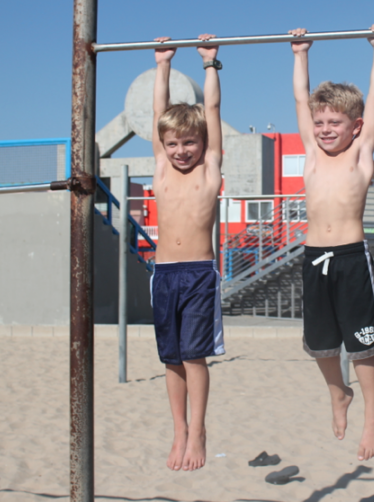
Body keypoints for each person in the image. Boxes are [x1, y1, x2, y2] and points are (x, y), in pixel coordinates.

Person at [288, 23, 374, 461]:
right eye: (321, 122)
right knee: (320, 342)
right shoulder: (312, 154)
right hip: (313, 256)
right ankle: (338, 393)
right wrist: (299, 54)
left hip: (350, 256)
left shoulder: (360, 155)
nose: (327, 129)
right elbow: (300, 97)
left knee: (362, 343)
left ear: (356, 126)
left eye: (336, 122)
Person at [150, 34, 225, 472]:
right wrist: (162, 65)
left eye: (189, 143)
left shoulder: (209, 169)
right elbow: (157, 115)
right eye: (173, 144)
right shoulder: (162, 167)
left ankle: (197, 430)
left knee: (194, 355)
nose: (181, 151)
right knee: (171, 357)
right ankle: (177, 429)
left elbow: (211, 112)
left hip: (198, 271)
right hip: (163, 272)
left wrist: (209, 66)